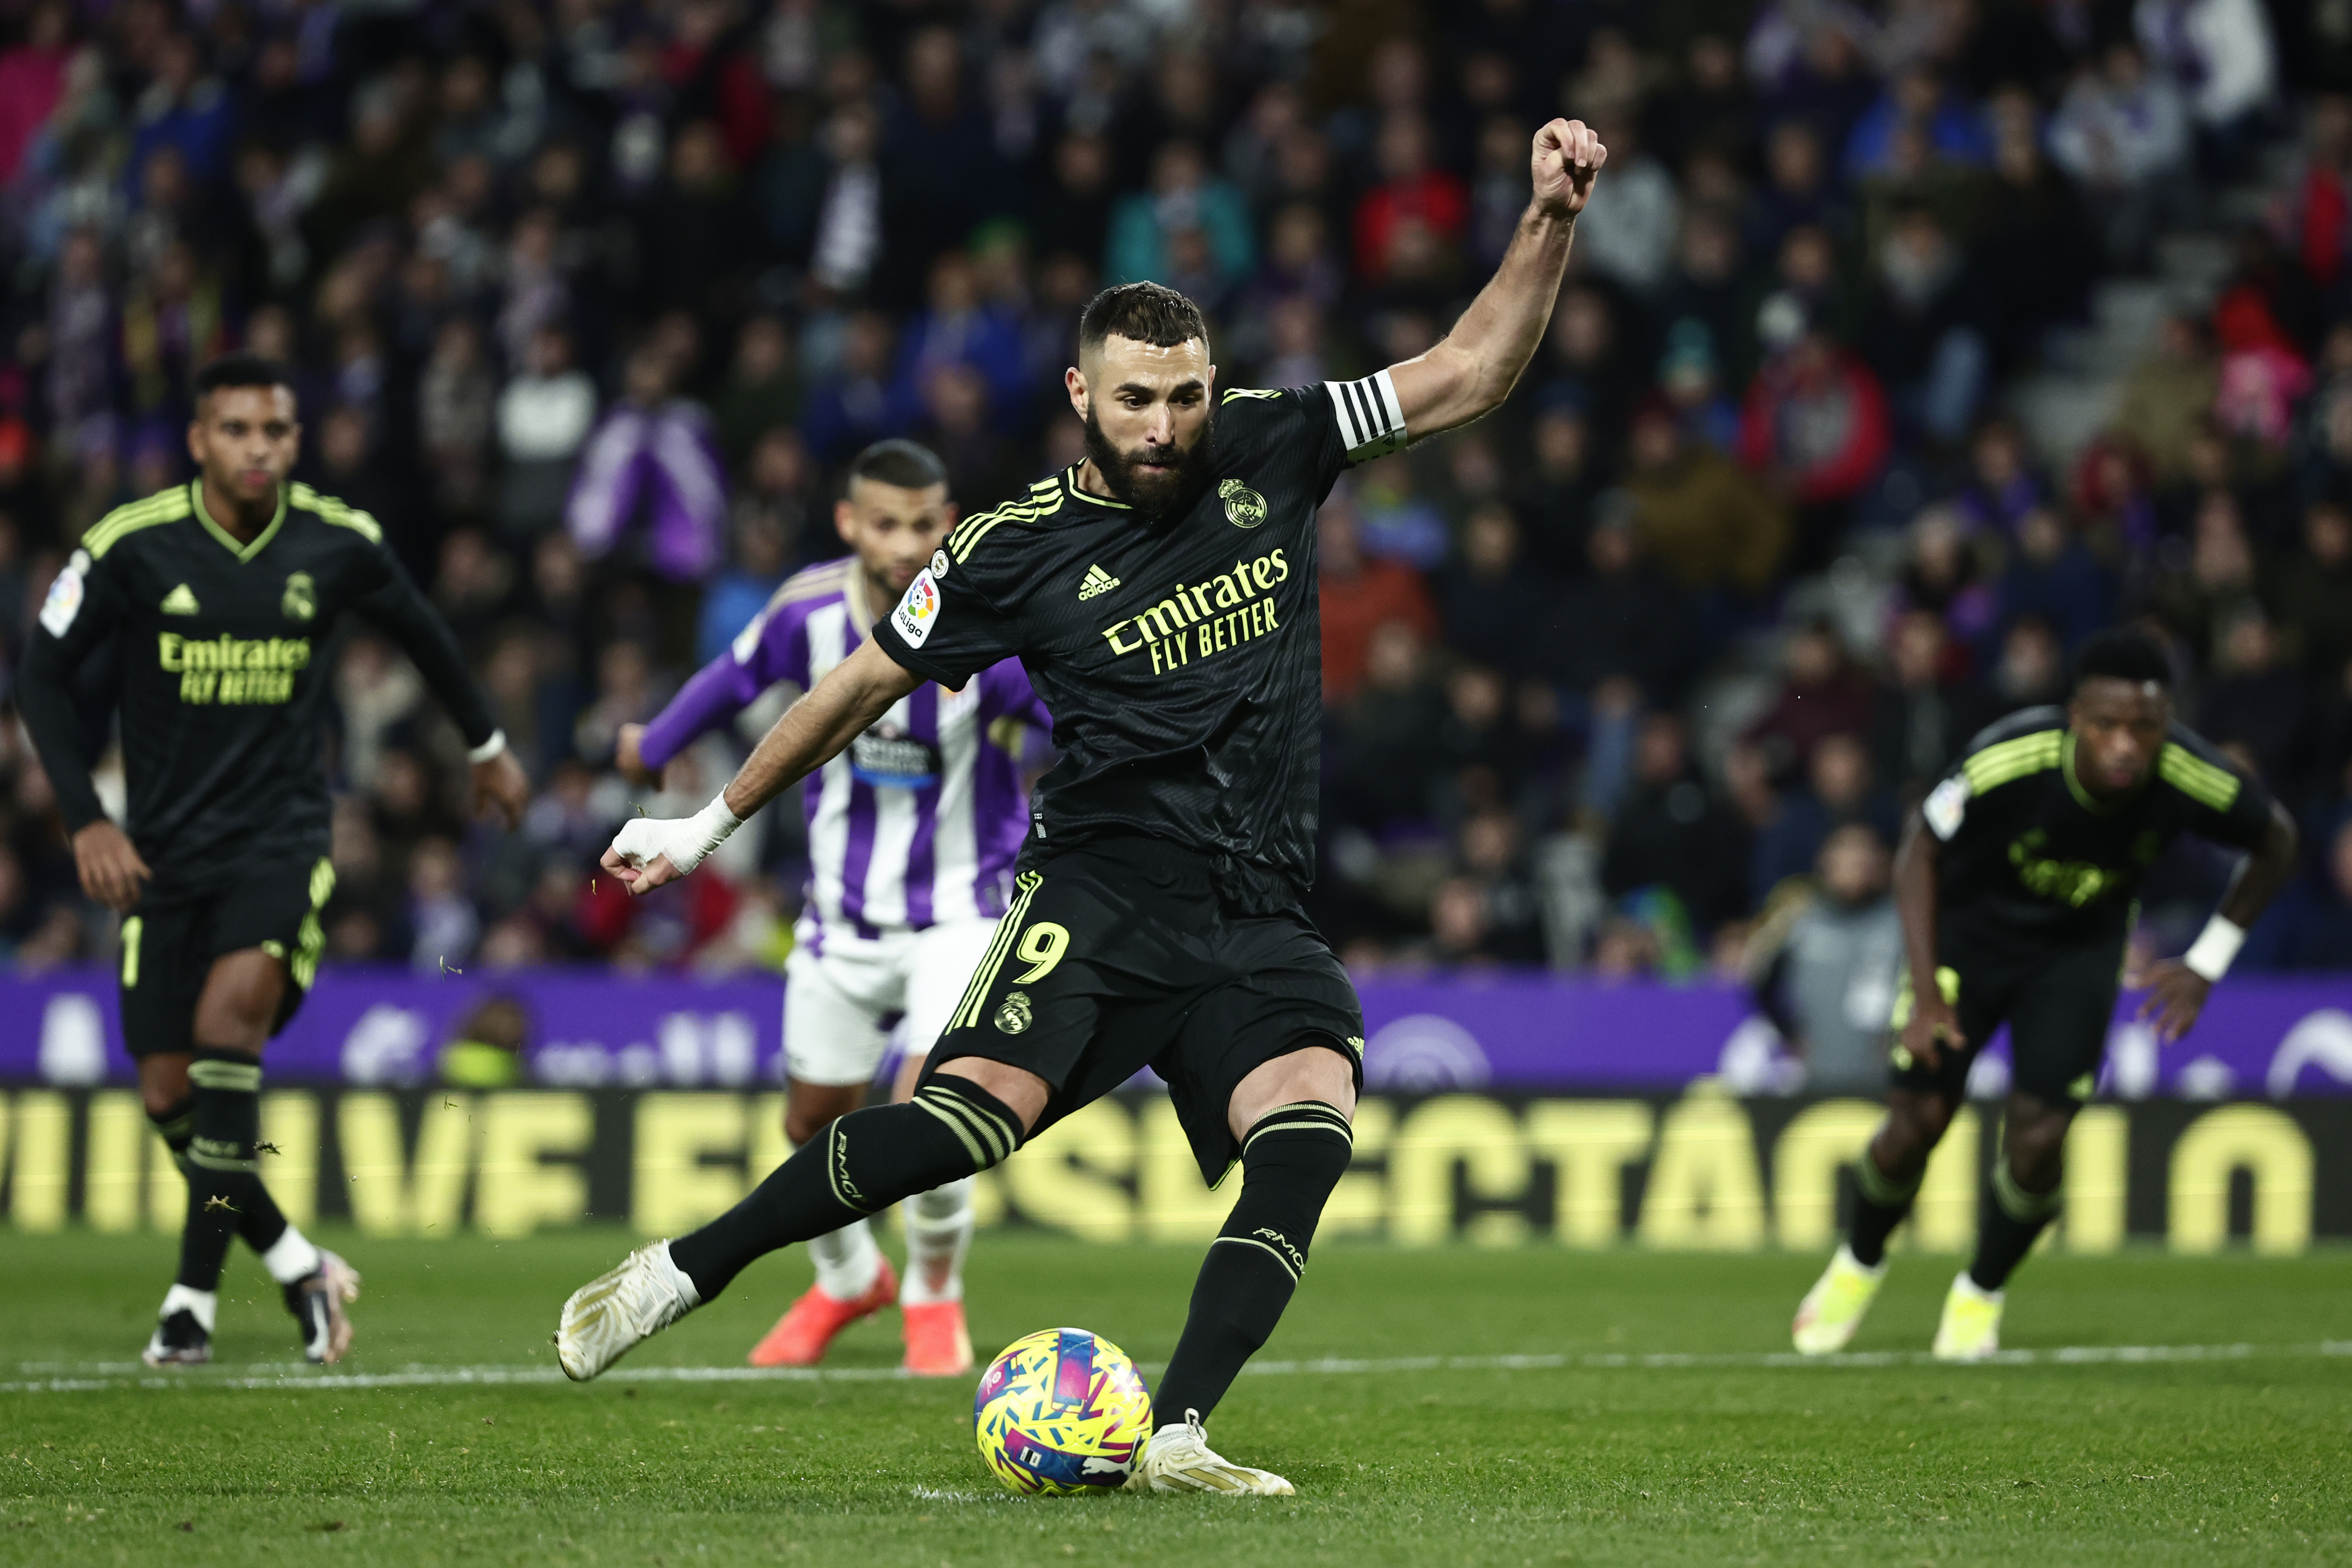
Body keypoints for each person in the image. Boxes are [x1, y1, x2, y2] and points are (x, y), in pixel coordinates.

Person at [555, 118, 1610, 1495]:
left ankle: (1177, 1434)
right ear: (1079, 394)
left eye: (1184, 397)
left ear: (1214, 384)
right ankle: (681, 1273)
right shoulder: (1009, 550)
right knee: (957, 1123)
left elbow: (1470, 371)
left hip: (1256, 911)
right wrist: (711, 824)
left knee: (1312, 1120)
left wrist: (1549, 219)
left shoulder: (1279, 446)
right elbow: (859, 686)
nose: (1166, 427)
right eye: (1135, 402)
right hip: (1100, 899)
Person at [15, 354, 530, 1366]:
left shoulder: (336, 542)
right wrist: (86, 819)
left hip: (284, 842)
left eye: (278, 430)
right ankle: (300, 1264)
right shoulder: (133, 544)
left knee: (222, 1036)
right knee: (170, 1093)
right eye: (239, 429)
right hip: (159, 855)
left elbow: (423, 631)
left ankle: (189, 1305)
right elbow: (39, 672)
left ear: (297, 439)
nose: (260, 448)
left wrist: (486, 744)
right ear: (201, 440)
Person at [616, 439, 1049, 1378]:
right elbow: (731, 678)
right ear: (850, 523)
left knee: (933, 1108)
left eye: (924, 523)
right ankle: (850, 1278)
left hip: (962, 911)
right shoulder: (807, 611)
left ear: (949, 521)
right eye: (884, 523)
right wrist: (655, 742)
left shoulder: (986, 619)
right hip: (840, 919)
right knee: (812, 1121)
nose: (905, 543)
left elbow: (1070, 708)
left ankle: (934, 1293)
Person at [1790, 628, 2296, 1362]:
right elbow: (1919, 846)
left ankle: (1979, 1294)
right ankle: (1858, 1265)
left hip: (2075, 956)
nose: (2126, 745)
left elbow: (2276, 839)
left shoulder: (2189, 773)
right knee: (1916, 1124)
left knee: (2040, 1142)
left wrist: (2207, 960)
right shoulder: (2011, 754)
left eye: (2144, 729)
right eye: (2107, 726)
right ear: (2074, 718)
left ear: (2166, 727)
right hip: (1967, 942)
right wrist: (1927, 990)